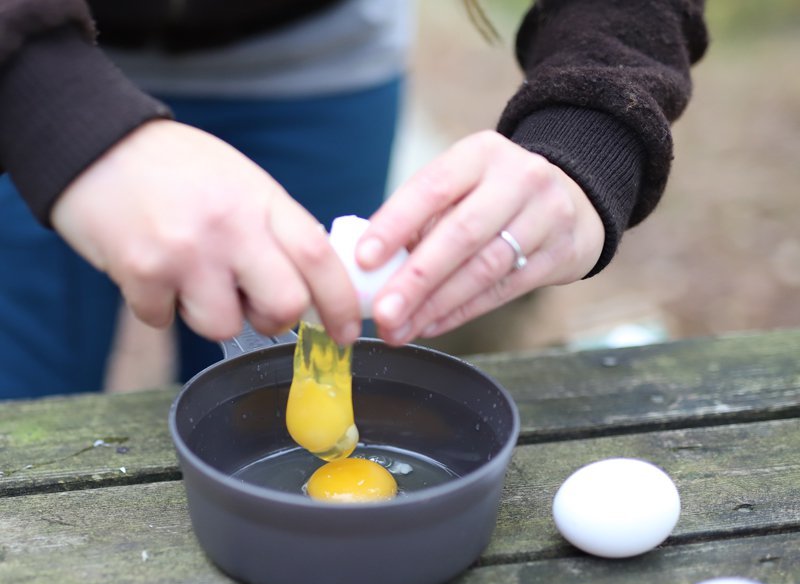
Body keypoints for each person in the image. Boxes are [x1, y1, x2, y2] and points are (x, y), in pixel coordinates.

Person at [0, 0, 708, 399]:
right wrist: (42, 97)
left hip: (322, 68)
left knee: (288, 402)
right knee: (24, 413)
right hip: (27, 61)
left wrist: (593, 122)